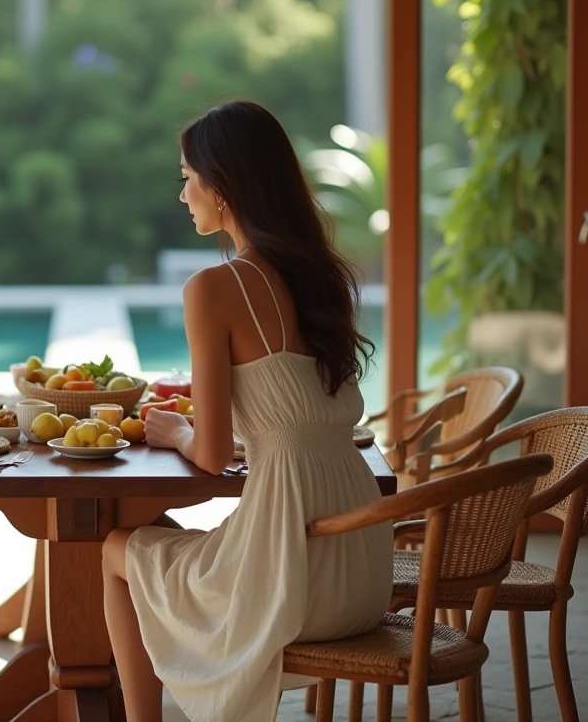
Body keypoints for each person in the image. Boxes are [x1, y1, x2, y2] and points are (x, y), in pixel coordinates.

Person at [101, 100, 393, 722]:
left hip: (294, 578)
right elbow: (297, 414)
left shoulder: (213, 288)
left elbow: (208, 456)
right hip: (362, 569)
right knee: (163, 546)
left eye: (187, 178)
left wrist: (179, 428)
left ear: (224, 185)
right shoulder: (324, 281)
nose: (183, 195)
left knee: (111, 547)